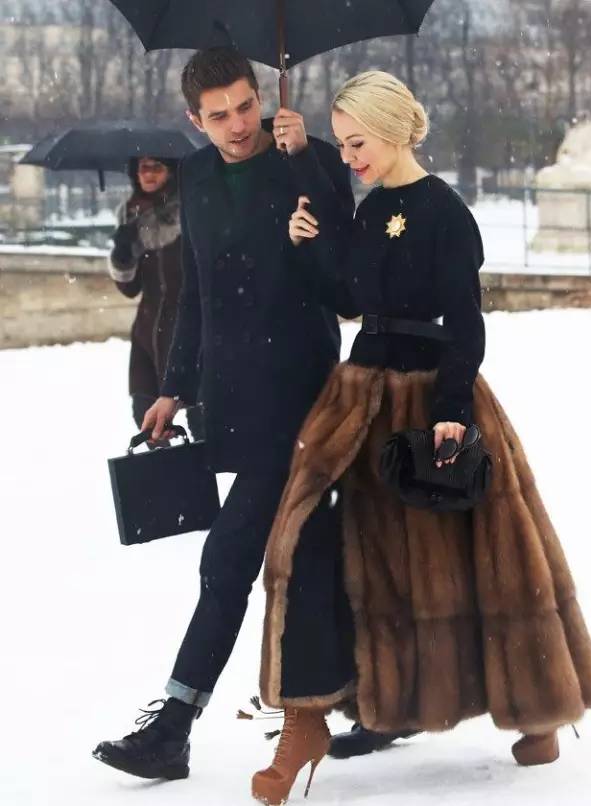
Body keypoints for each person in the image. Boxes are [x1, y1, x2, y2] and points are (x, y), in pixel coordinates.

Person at [251, 71, 591, 805]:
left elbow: (465, 322)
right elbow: (351, 299)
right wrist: (306, 248)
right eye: (341, 144)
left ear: (392, 130)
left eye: (357, 143)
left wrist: (451, 408)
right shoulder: (370, 208)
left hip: (433, 396)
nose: (349, 157)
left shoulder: (445, 211)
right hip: (362, 396)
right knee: (349, 552)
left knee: (482, 562)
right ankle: (337, 709)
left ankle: (537, 707)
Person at [93, 47, 354, 781]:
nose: (239, 125)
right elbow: (198, 295)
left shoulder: (310, 157)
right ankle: (377, 702)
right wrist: (173, 387)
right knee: (318, 552)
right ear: (195, 120)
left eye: (247, 106)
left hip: (303, 395)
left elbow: (345, 282)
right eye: (220, 115)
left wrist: (305, 168)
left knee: (230, 556)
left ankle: (173, 726)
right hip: (232, 397)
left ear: (260, 97)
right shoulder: (198, 177)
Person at [108, 156, 204, 440]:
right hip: (147, 330)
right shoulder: (130, 216)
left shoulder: (190, 211)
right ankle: (167, 467)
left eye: (156, 167)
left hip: (189, 328)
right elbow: (130, 288)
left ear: (170, 171)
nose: (148, 174)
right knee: (146, 419)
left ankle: (205, 464)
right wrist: (123, 255)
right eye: (142, 167)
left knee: (201, 417)